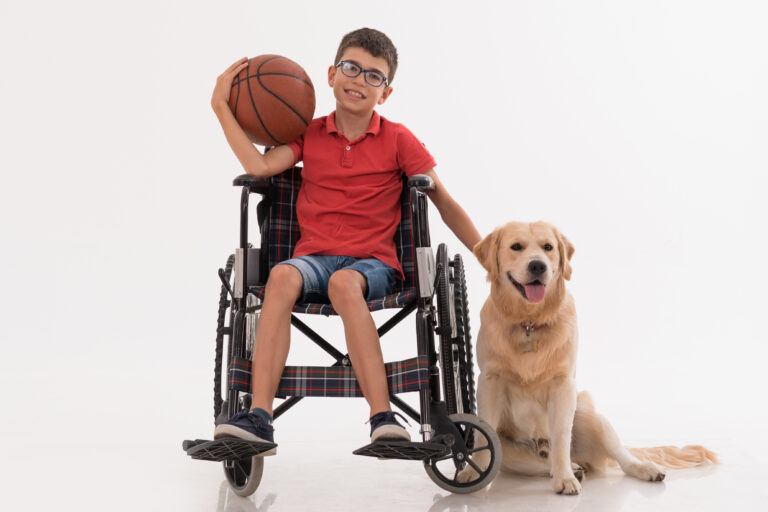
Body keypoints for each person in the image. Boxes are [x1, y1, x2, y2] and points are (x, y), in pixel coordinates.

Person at [210, 28, 481, 453]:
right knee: (280, 277)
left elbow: (442, 200)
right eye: (352, 69)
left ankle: (383, 418)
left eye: (374, 76)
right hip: (313, 259)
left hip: (373, 264)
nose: (360, 80)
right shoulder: (309, 134)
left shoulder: (398, 139)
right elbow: (258, 167)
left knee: (343, 284)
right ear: (332, 74)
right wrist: (220, 106)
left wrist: (485, 254)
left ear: (386, 93)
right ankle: (259, 418)